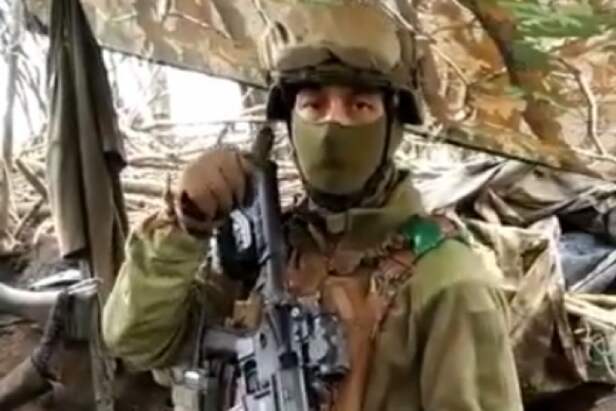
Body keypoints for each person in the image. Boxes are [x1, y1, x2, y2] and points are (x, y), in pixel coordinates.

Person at [102, 3, 523, 410]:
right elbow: (136, 341)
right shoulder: (267, 251)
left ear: (393, 125)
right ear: (290, 121)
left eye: (360, 106)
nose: (332, 125)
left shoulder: (449, 284)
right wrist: (184, 227)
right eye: (313, 105)